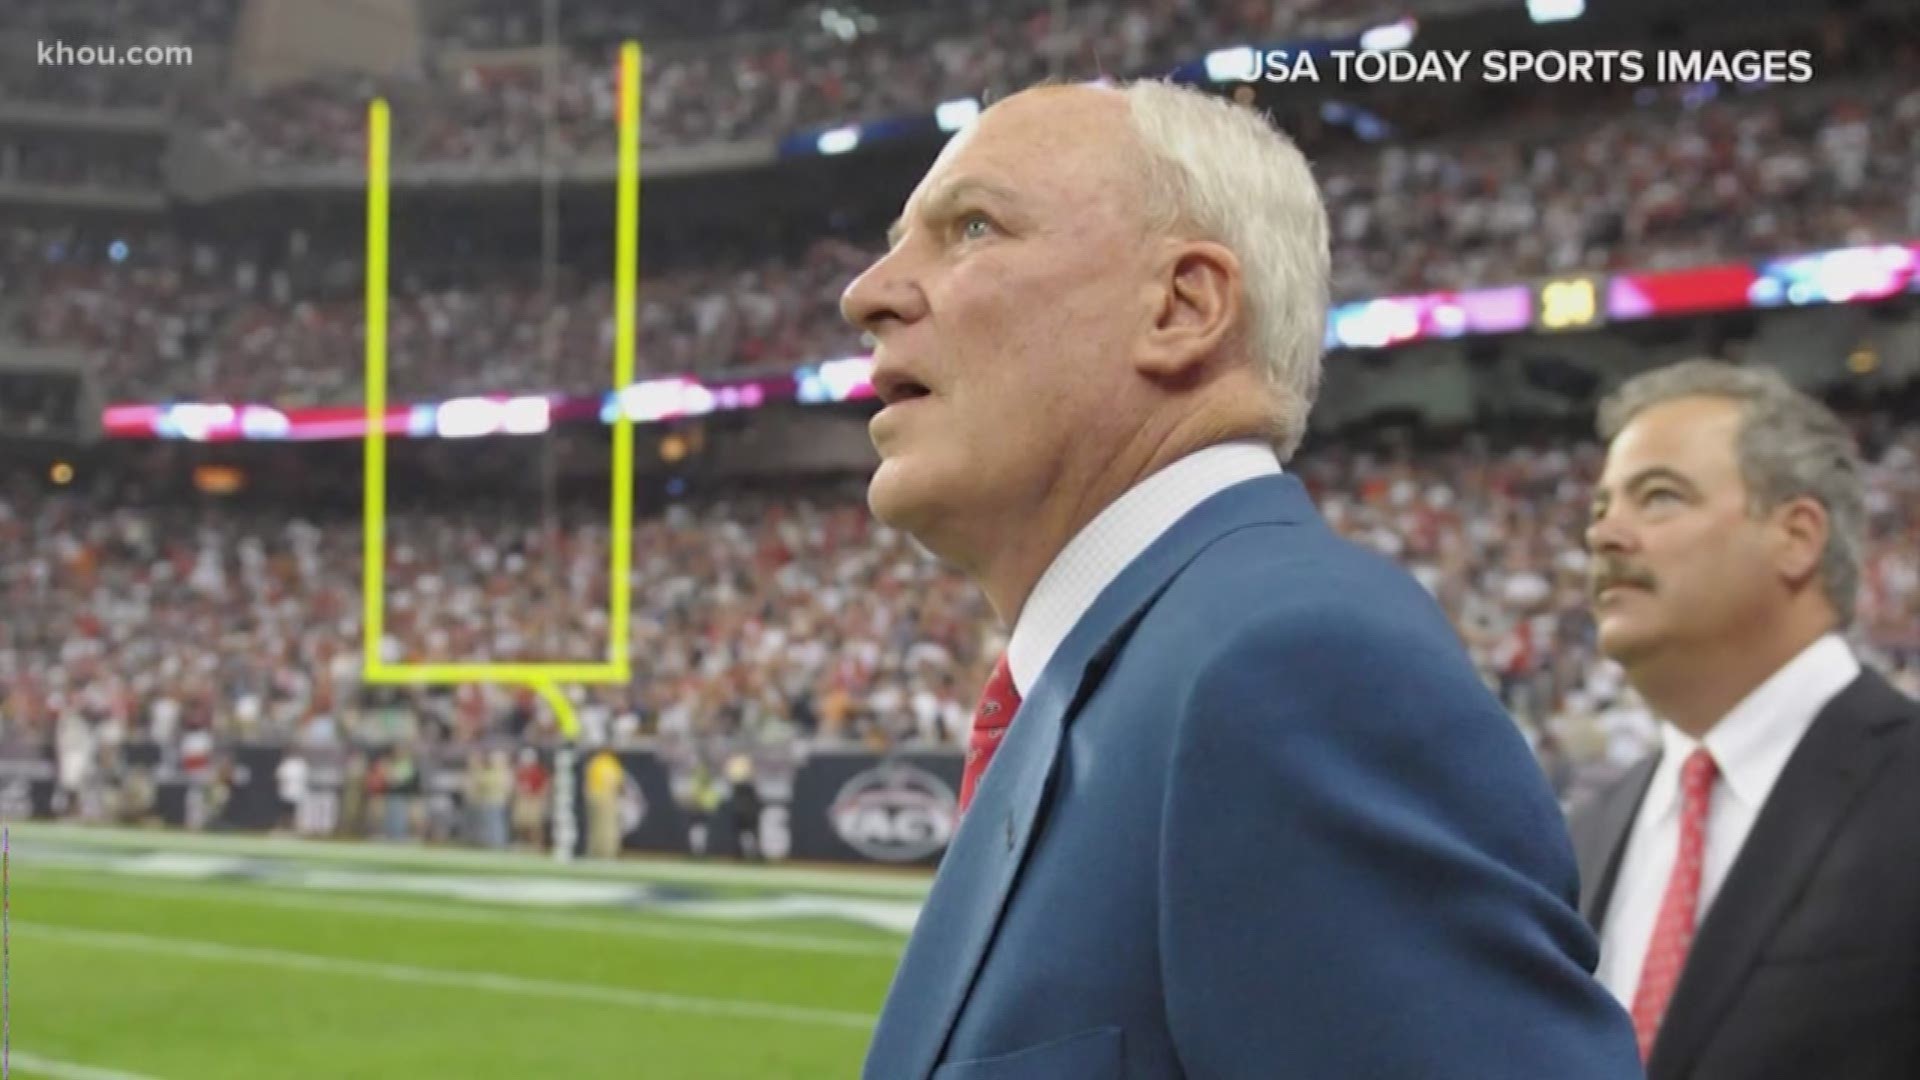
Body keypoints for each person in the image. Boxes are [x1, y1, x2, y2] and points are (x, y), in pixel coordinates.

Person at [842, 78, 1639, 1080]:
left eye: (971, 227)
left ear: (1183, 305)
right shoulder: (1144, 672)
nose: (867, 291)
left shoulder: (1288, 667)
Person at [1570, 359, 1920, 1079]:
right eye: (1602, 509)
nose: (1605, 537)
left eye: (1658, 497)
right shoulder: (1586, 833)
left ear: (1796, 535)